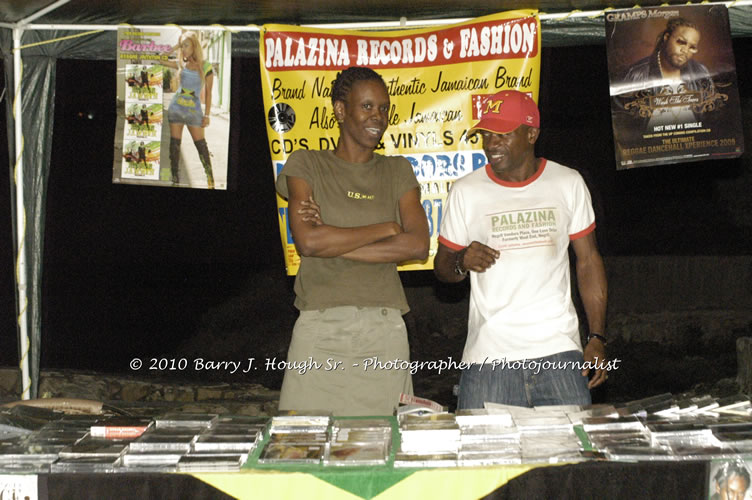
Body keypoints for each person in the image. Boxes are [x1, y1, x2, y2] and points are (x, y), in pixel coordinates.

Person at [434, 90, 608, 409]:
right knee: (482, 457)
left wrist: (596, 337)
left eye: (502, 134)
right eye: (486, 134)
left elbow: (588, 261)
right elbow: (442, 268)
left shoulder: (567, 183)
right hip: (489, 358)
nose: (490, 143)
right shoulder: (466, 191)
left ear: (531, 133)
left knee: (570, 457)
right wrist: (461, 260)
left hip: (559, 354)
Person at [274, 66, 429, 416]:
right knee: (300, 444)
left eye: (384, 108)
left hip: (384, 328)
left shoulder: (397, 170)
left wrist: (336, 242)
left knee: (382, 446)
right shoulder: (306, 164)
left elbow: (418, 246)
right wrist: (386, 227)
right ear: (341, 110)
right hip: (320, 325)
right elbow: (309, 244)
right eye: (368, 107)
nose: (379, 117)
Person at [618, 17, 715, 131]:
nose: (685, 50)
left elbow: (712, 117)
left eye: (691, 47)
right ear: (666, 37)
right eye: (681, 42)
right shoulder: (637, 74)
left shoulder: (700, 72)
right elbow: (623, 123)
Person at [163, 31, 215, 188]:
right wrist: (176, 46)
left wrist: (207, 115)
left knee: (201, 146)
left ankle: (210, 180)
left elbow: (208, 93)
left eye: (186, 45)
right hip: (176, 109)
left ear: (194, 45)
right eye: (182, 46)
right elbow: (160, 58)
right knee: (174, 147)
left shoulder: (206, 66)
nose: (183, 49)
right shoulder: (181, 64)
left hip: (194, 113)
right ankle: (175, 179)